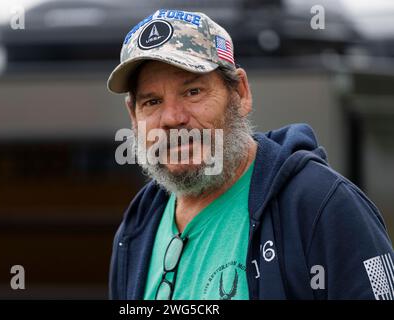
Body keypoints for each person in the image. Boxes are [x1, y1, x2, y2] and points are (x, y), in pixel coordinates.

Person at [106, 9, 394, 300]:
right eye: (152, 101)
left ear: (240, 93)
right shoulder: (137, 227)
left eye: (193, 92)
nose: (172, 117)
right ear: (133, 116)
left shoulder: (322, 205)